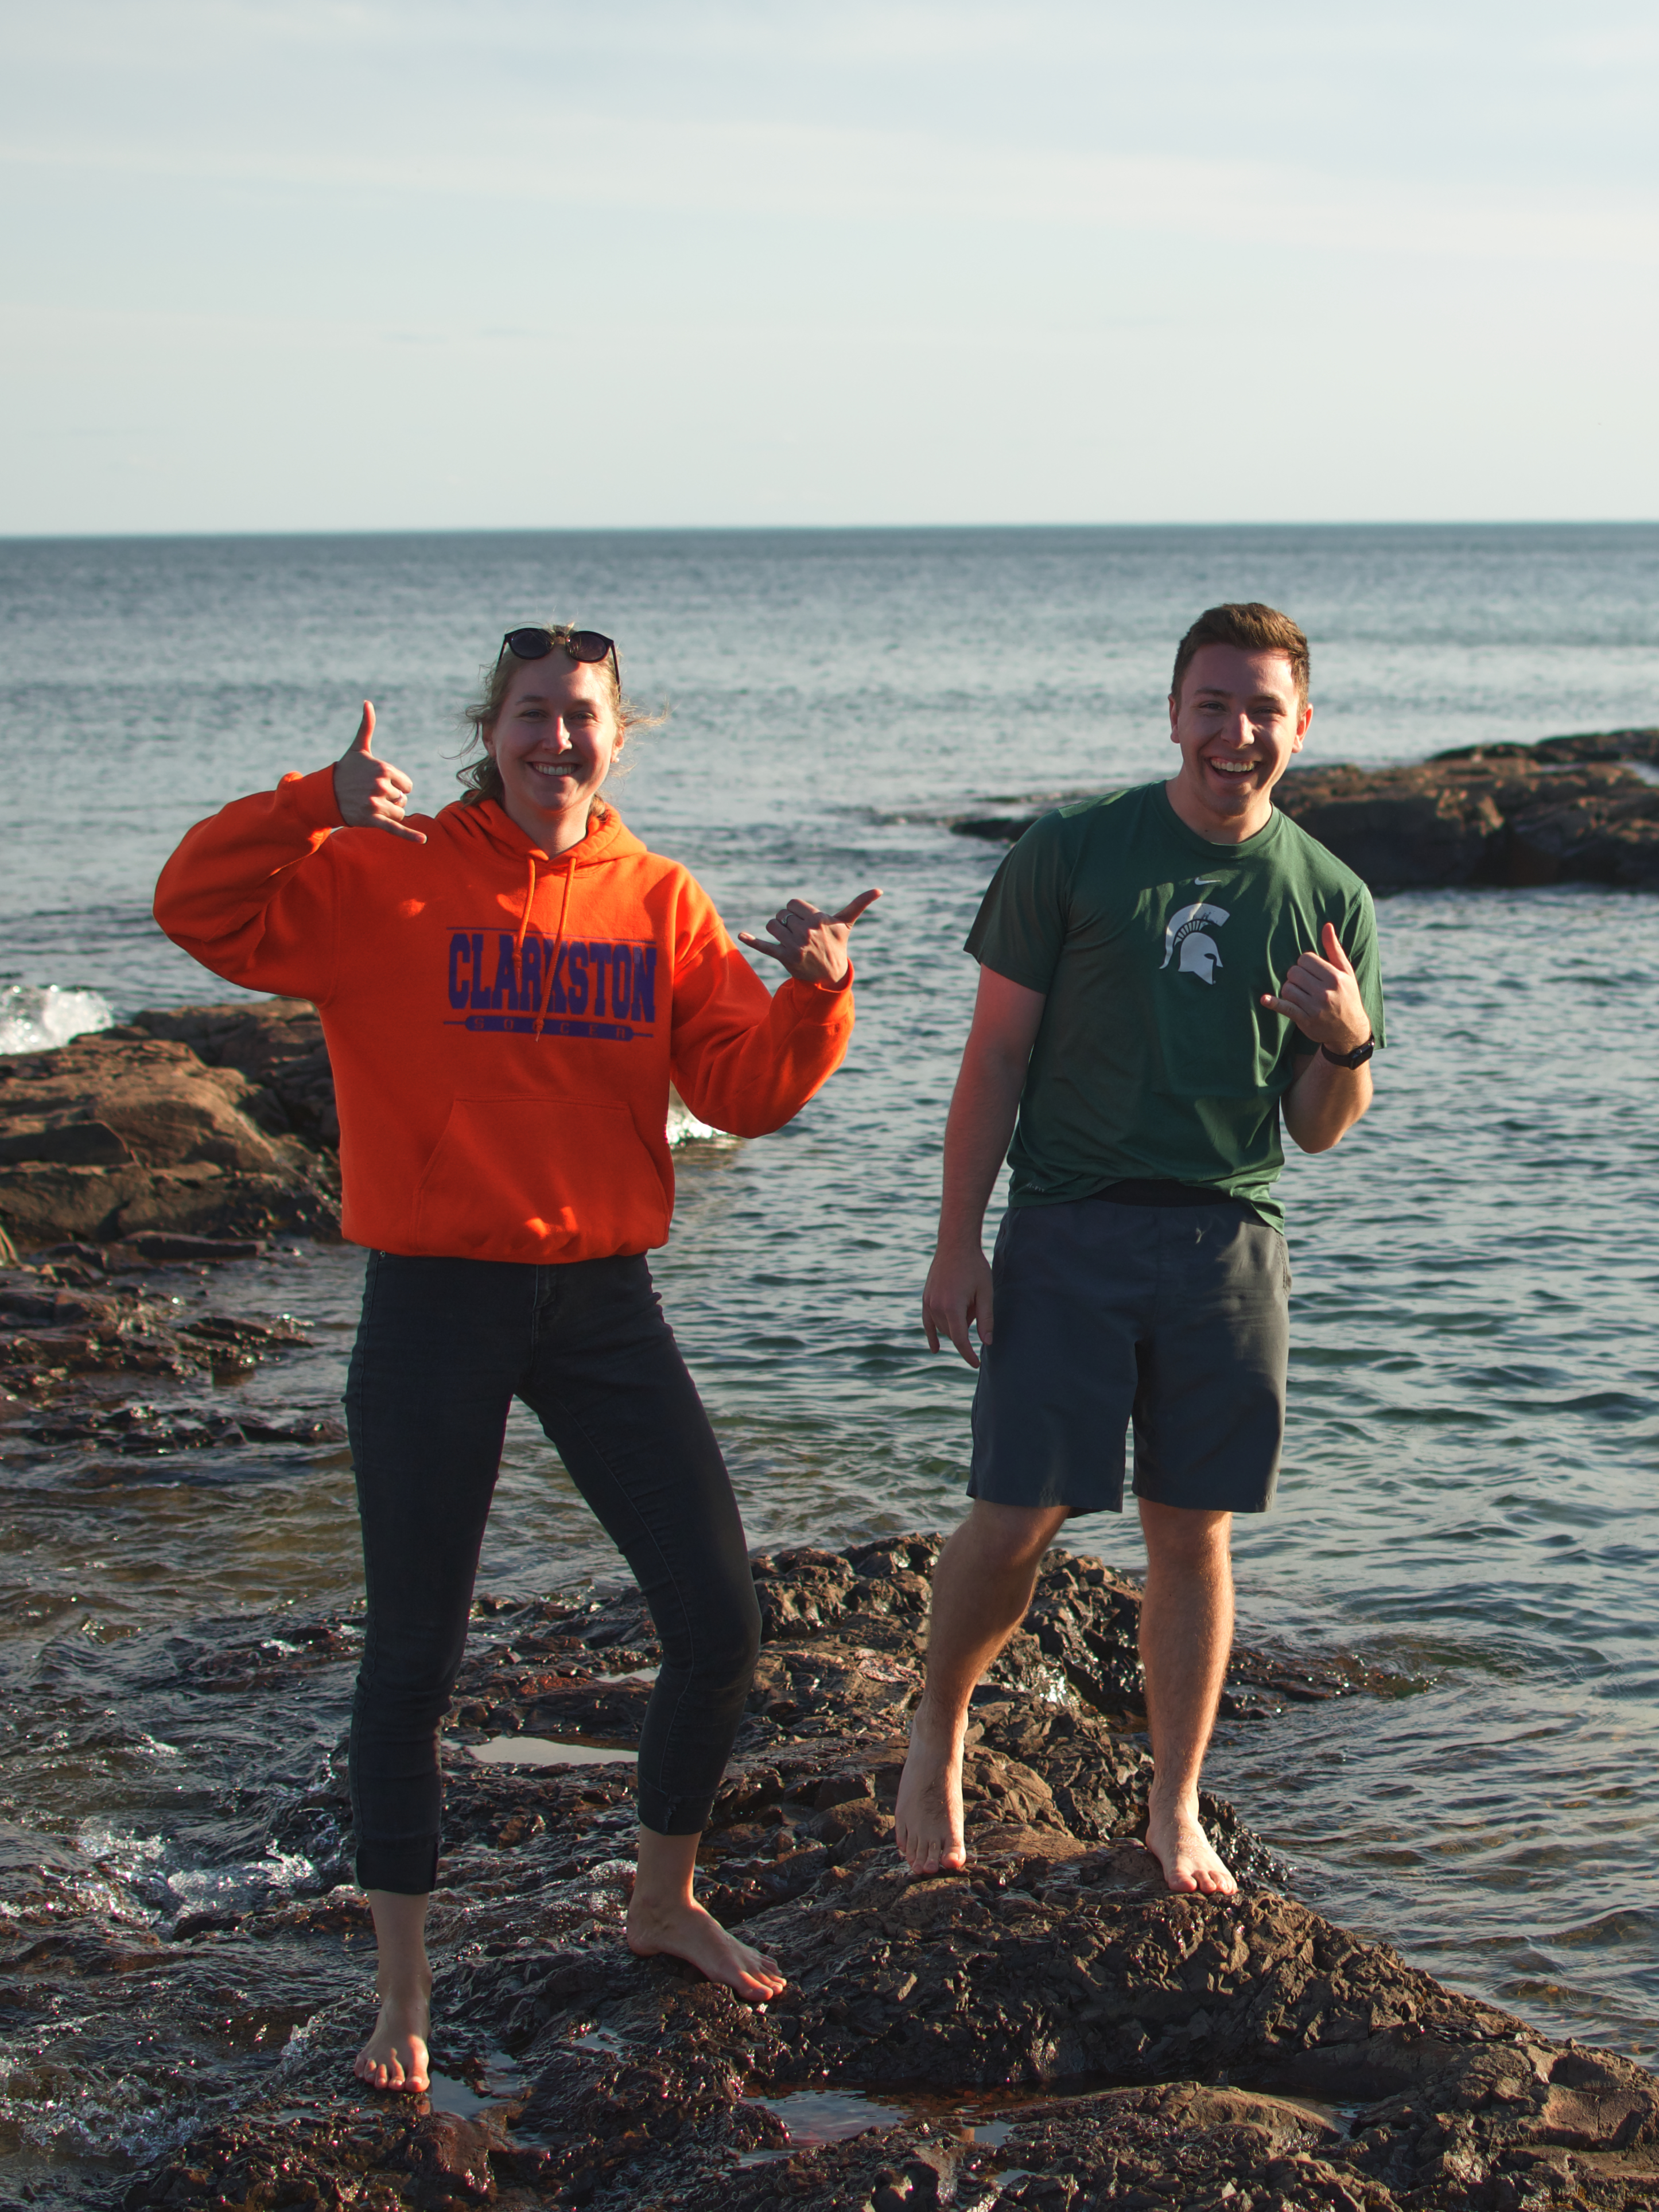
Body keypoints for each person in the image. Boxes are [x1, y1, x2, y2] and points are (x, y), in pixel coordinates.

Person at [154, 623, 879, 2091]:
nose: (559, 738)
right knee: (414, 1653)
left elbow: (737, 1088)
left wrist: (814, 993)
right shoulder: (380, 875)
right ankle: (401, 1994)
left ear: (625, 733)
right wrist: (312, 799)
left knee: (721, 1618)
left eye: (584, 715)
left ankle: (663, 1895)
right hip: (435, 1300)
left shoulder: (660, 899)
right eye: (533, 713)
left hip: (604, 1301)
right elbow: (197, 908)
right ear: (492, 729)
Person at [896, 601, 1384, 1896]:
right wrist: (958, 1240)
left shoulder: (1329, 896)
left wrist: (1346, 1038)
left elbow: (1322, 1128)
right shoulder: (1075, 852)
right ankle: (939, 1722)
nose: (1237, 733)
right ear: (1174, 710)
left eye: (1263, 709)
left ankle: (1174, 1808)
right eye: (1214, 704)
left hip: (1230, 1233)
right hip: (1068, 1222)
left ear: (1302, 725)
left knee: (1193, 1529)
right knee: (1016, 1515)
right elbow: (994, 1055)